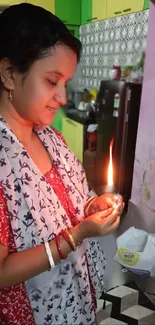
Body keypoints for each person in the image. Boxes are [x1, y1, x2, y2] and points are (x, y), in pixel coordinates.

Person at [0, 3, 124, 325]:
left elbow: (72, 203)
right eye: (52, 81)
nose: (63, 98)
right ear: (9, 74)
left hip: (75, 300)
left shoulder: (52, 138)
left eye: (64, 83)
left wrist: (94, 205)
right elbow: (1, 272)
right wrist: (78, 234)